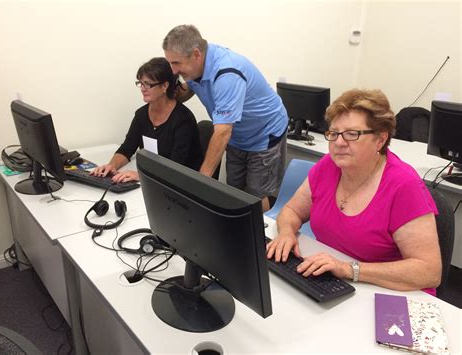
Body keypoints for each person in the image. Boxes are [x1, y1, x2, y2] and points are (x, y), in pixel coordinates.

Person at [266, 89, 442, 295]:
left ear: (380, 140)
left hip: (390, 293)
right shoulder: (328, 166)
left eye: (352, 134)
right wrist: (286, 232)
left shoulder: (404, 186)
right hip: (335, 283)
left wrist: (349, 269)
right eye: (334, 133)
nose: (339, 143)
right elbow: (292, 211)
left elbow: (429, 271)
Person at [162, 25, 288, 211]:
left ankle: (264, 232)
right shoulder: (196, 67)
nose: (173, 70)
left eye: (176, 63)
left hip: (264, 134)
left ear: (196, 54)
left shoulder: (226, 74)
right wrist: (164, 92)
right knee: (234, 193)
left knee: (254, 198)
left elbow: (222, 132)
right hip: (237, 136)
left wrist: (201, 179)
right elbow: (186, 91)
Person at [92, 57, 202, 182]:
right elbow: (127, 149)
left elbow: (175, 166)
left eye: (148, 84)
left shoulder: (183, 120)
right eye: (141, 83)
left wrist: (140, 176)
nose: (143, 88)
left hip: (182, 183)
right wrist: (111, 166)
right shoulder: (141, 115)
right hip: (155, 180)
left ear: (165, 86)